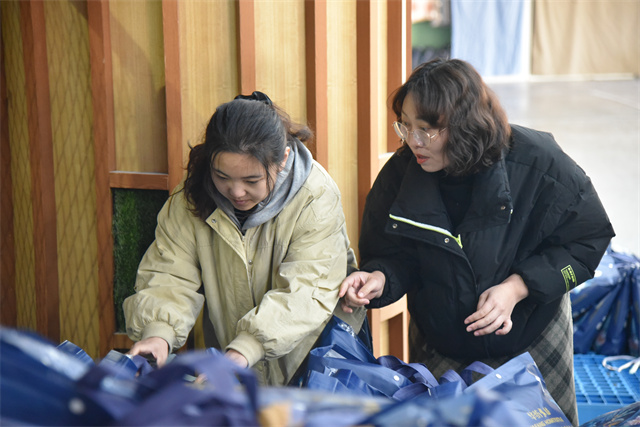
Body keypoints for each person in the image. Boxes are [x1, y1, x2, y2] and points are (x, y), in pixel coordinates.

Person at [339, 58, 614, 425]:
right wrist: (379, 277)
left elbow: (587, 240)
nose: (413, 142)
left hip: (532, 335)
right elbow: (393, 255)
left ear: (466, 124)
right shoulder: (400, 175)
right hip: (442, 340)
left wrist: (517, 288)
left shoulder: (539, 163)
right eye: (406, 126)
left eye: (427, 129)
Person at [124, 91, 365, 386]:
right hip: (232, 363)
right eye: (222, 177)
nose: (236, 192)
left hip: (315, 364)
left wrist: (244, 349)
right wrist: (158, 334)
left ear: (282, 159)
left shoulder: (315, 195)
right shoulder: (190, 196)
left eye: (252, 180)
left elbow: (307, 290)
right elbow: (170, 274)